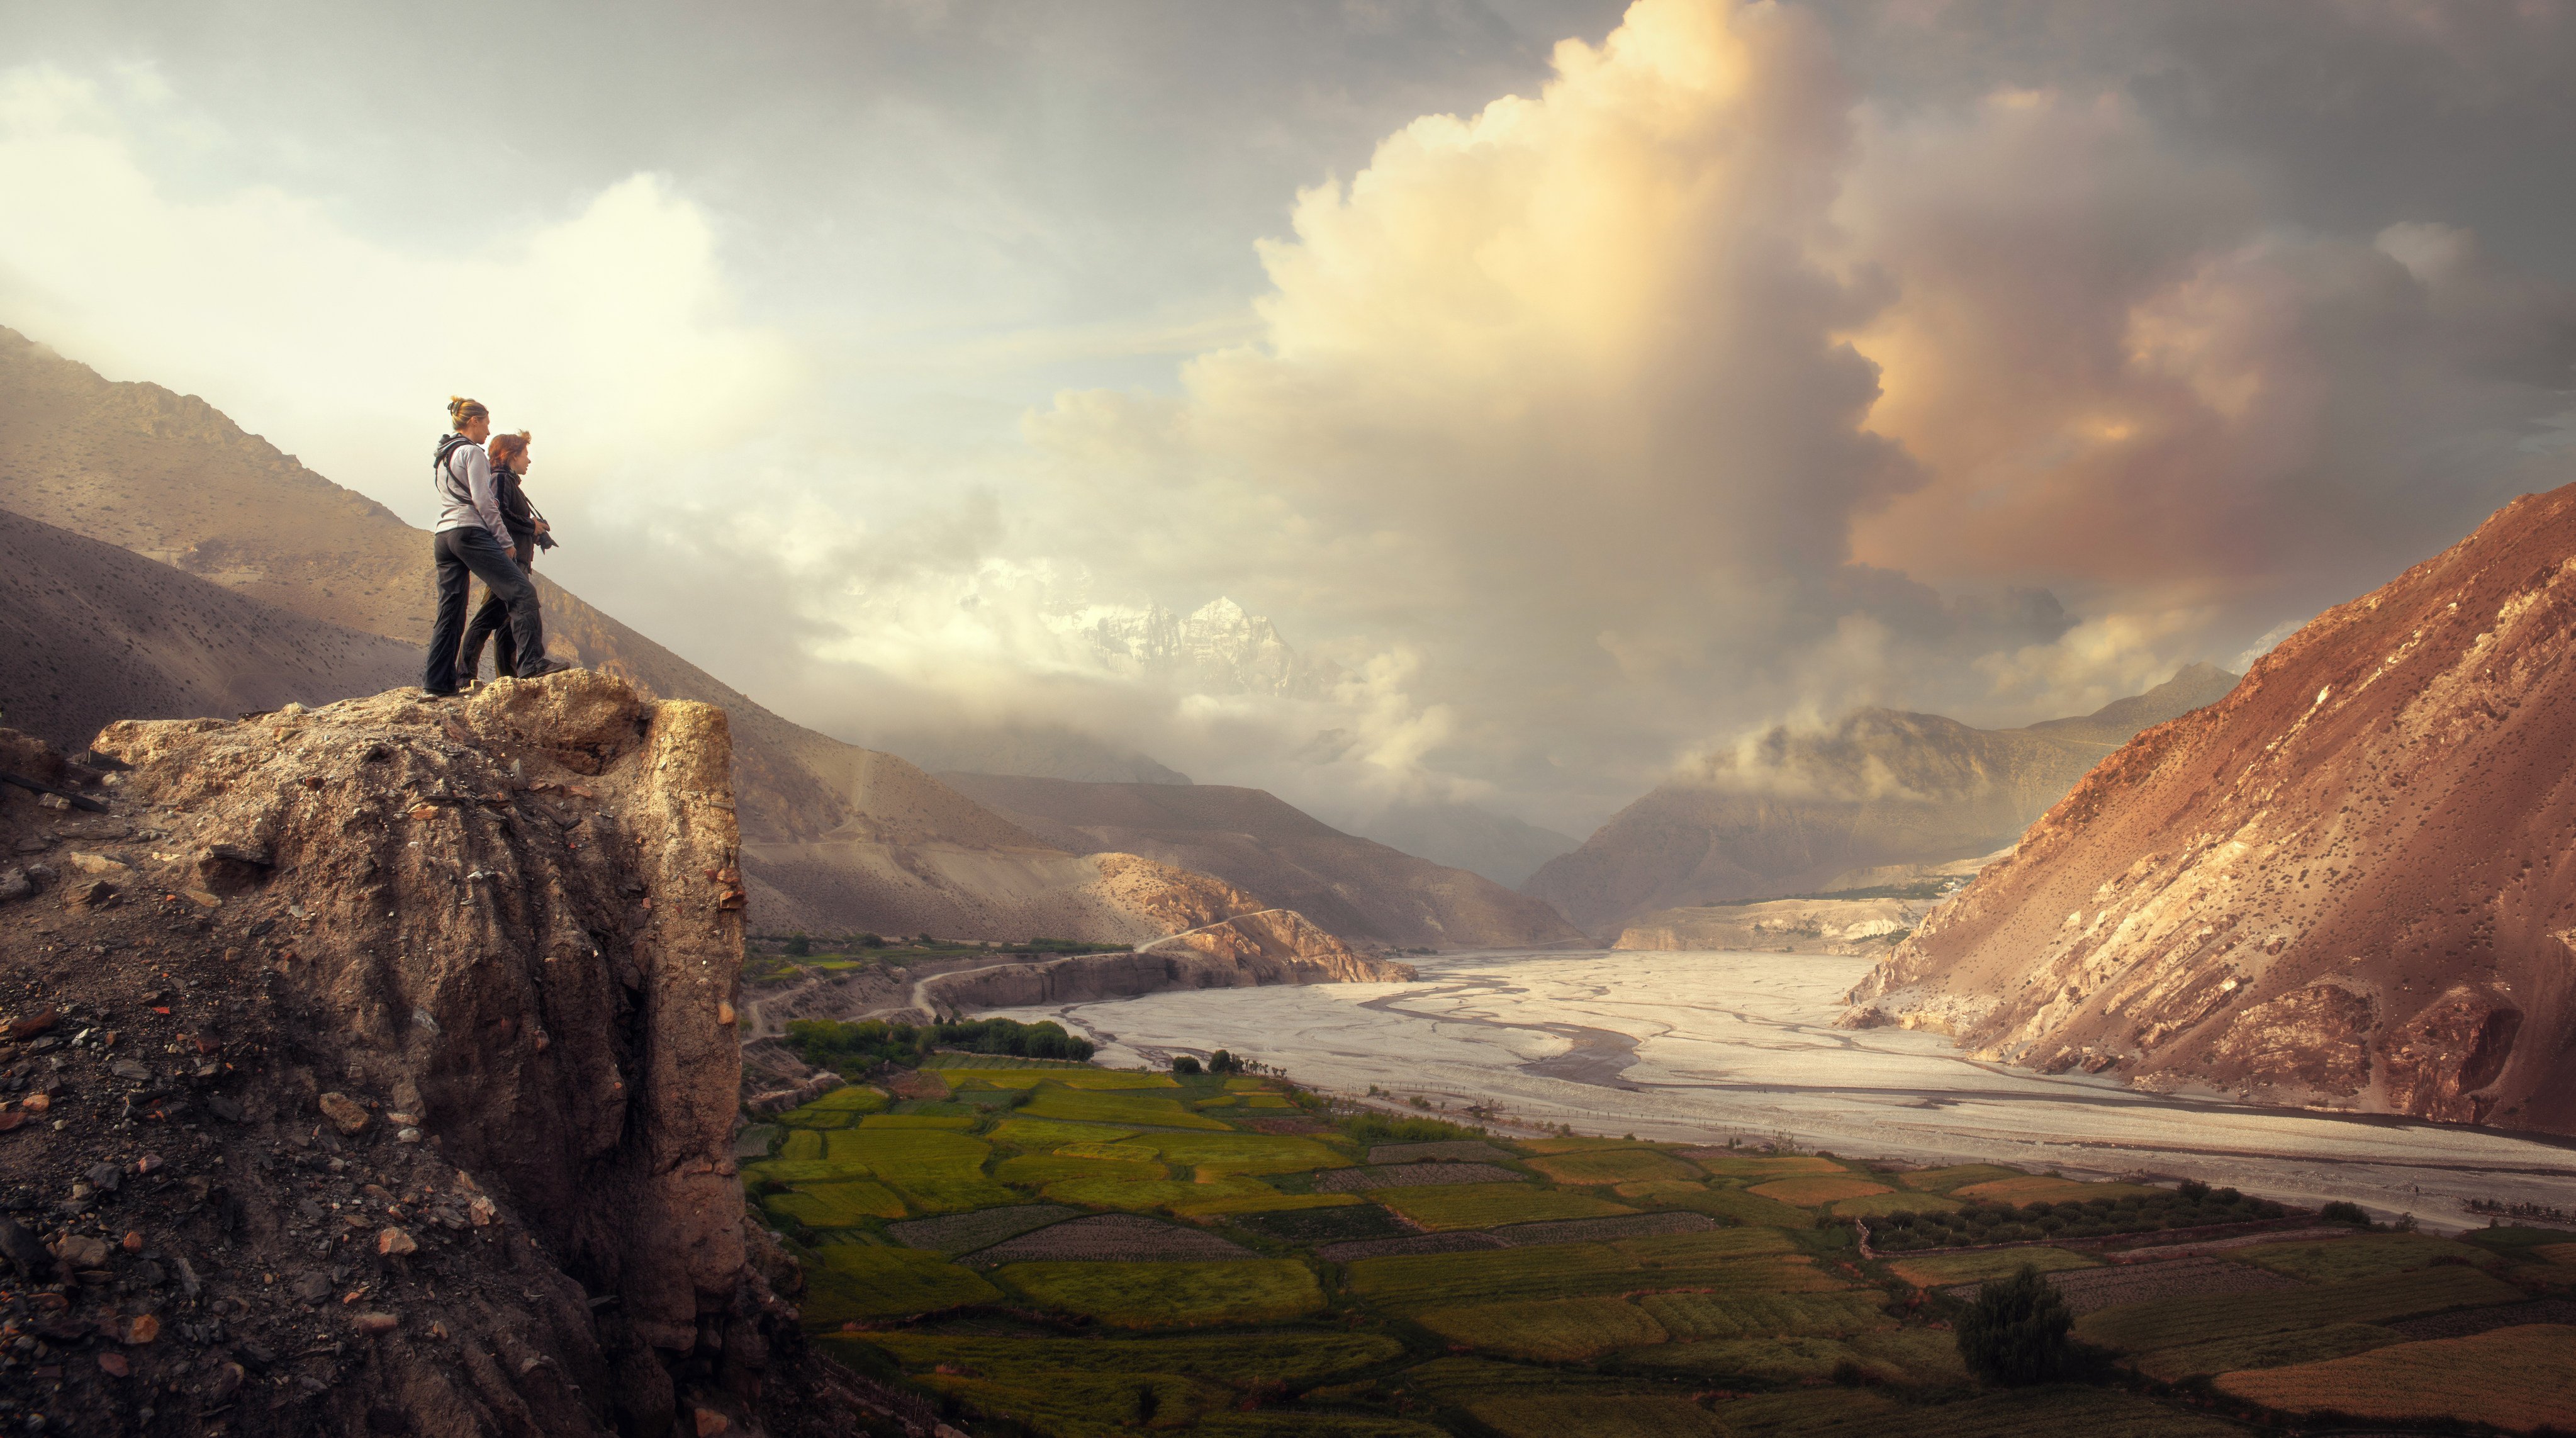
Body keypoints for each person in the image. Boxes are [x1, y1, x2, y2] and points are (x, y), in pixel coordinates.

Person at [422, 396, 565, 695]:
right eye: (486, 423)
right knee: (522, 592)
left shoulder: (442, 455)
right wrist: (504, 542)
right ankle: (531, 665)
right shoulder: (472, 453)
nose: (488, 431)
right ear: (473, 421)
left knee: (450, 612)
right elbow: (484, 502)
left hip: (443, 536)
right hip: (469, 532)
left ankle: (437, 685)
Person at [457, 429, 554, 682]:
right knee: (491, 615)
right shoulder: (500, 479)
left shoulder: (507, 481)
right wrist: (531, 526)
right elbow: (498, 515)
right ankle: (465, 674)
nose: (529, 461)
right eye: (525, 455)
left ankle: (505, 678)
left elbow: (509, 518)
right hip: (509, 561)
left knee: (503, 622)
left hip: (516, 560)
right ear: (511, 455)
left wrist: (531, 530)